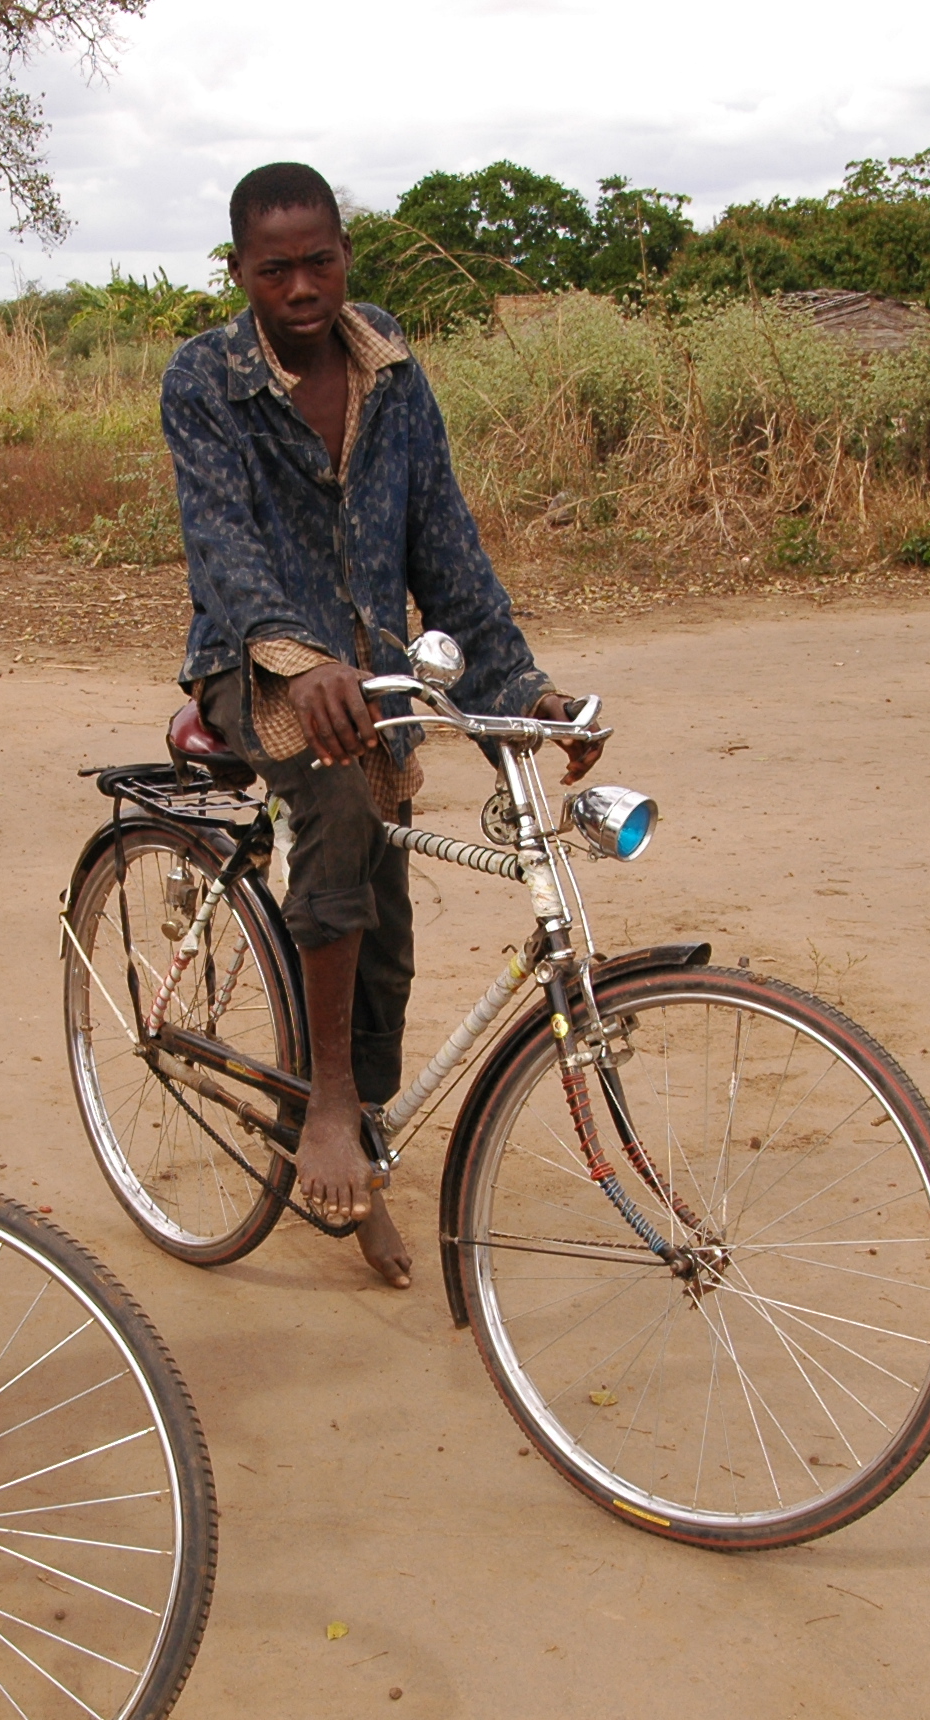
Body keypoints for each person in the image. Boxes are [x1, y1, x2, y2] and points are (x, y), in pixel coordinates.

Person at [163, 162, 598, 1288]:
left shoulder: (390, 366)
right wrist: (296, 658)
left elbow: (443, 538)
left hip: (383, 682)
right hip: (251, 664)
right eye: (274, 268)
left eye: (319, 259)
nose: (300, 285)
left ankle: (360, 1154)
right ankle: (327, 1106)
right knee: (340, 809)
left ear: (344, 253)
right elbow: (222, 547)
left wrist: (527, 687)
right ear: (240, 271)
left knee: (388, 940)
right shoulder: (203, 378)